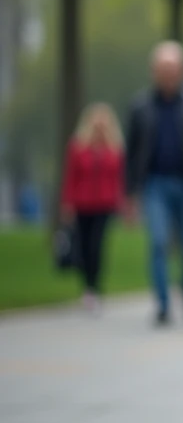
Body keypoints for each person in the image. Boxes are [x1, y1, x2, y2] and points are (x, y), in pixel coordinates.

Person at [124, 42, 183, 327]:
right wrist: (129, 193)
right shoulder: (140, 107)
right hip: (155, 184)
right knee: (159, 241)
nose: (168, 74)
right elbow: (131, 152)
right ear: (154, 71)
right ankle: (163, 304)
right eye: (163, 68)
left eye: (173, 68)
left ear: (182, 70)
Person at [61, 103, 125, 313]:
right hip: (82, 203)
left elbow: (119, 179)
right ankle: (87, 285)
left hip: (104, 204)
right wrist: (68, 202)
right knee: (84, 246)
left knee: (97, 245)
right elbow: (71, 176)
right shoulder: (78, 147)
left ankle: (94, 287)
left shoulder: (114, 148)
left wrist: (121, 202)